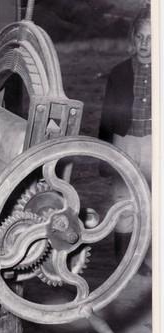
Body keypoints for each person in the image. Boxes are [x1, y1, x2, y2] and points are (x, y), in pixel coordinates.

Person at [99, 7, 151, 275]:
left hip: (155, 144)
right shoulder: (119, 73)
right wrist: (104, 155)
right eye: (141, 37)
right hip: (125, 142)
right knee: (124, 199)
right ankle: (124, 259)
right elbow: (107, 117)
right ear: (133, 37)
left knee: (153, 201)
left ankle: (148, 258)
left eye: (153, 38)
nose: (145, 45)